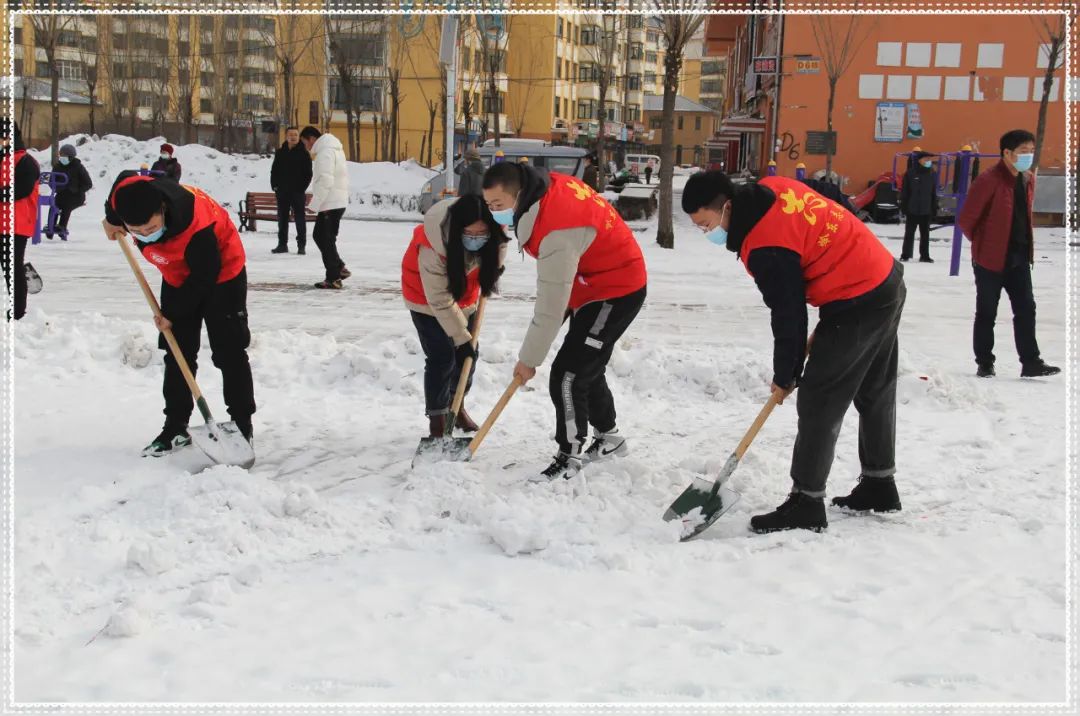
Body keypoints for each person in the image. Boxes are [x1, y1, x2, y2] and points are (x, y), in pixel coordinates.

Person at [682, 171, 906, 534]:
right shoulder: (770, 188)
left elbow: (788, 313)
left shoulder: (765, 246)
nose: (708, 233)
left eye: (707, 224)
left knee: (820, 397)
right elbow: (826, 212)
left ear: (727, 206)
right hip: (882, 277)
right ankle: (879, 485)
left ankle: (806, 501)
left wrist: (786, 374)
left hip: (858, 294)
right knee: (874, 387)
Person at [482, 161, 647, 481]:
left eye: (498, 206)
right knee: (585, 361)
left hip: (616, 288)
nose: (493, 213)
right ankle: (609, 438)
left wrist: (529, 360)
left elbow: (550, 303)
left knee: (568, 373)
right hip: (589, 281)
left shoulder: (558, 230)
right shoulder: (544, 190)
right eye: (488, 205)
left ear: (518, 196)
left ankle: (569, 455)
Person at [101, 170, 255, 456]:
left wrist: (173, 313)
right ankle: (175, 426)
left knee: (228, 348)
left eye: (151, 227)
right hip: (176, 274)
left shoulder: (196, 225)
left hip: (222, 273)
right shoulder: (124, 197)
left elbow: (203, 279)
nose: (145, 235)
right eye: (137, 231)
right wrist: (111, 221)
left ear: (162, 208)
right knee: (177, 351)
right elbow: (120, 184)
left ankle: (241, 423)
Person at [402, 194, 509, 436]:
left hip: (465, 295)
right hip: (426, 299)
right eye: (469, 235)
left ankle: (456, 406)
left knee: (469, 357)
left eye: (481, 235)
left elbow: (499, 247)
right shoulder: (433, 243)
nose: (475, 240)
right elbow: (438, 299)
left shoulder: (495, 230)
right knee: (442, 358)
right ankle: (438, 421)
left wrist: (495, 270)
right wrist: (460, 338)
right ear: (457, 229)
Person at [957, 129, 1060, 379]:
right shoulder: (989, 180)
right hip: (990, 260)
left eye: (1031, 152)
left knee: (1026, 309)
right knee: (987, 313)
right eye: (1023, 152)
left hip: (1019, 257)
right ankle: (984, 362)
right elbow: (967, 220)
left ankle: (1031, 361)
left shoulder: (1027, 179)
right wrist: (984, 244)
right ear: (1007, 153)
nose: (1028, 156)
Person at [299, 126, 351, 289]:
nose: (306, 147)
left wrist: (315, 204)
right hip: (336, 201)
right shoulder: (333, 149)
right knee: (321, 236)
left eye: (305, 142)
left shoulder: (325, 153)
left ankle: (334, 277)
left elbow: (326, 181)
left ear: (311, 139)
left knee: (325, 238)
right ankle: (339, 267)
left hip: (330, 202)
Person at [2, 120, 40, 321]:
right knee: (9, 264)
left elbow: (22, 189)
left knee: (12, 265)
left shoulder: (25, 161)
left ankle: (17, 311)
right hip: (4, 222)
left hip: (18, 223)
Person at [269, 126, 313, 255]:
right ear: (286, 136)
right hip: (282, 192)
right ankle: (282, 244)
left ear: (298, 137)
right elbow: (274, 171)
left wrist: (301, 188)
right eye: (291, 135)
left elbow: (308, 174)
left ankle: (301, 245)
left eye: (295, 135)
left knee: (300, 218)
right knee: (282, 219)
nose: (293, 137)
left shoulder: (304, 153)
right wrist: (275, 186)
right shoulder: (280, 152)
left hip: (297, 192)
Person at [899, 151, 938, 263]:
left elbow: (933, 193)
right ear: (920, 160)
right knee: (909, 233)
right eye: (926, 159)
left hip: (926, 209)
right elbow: (905, 191)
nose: (928, 162)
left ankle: (925, 256)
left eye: (929, 160)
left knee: (925, 234)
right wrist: (904, 206)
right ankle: (905, 254)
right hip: (912, 209)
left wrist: (934, 207)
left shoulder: (931, 173)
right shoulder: (910, 173)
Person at [51, 143, 93, 239]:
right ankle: (51, 226)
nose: (62, 158)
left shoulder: (78, 167)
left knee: (67, 206)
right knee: (54, 205)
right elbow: (52, 181)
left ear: (71, 157)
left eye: (64, 156)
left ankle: (62, 226)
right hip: (61, 194)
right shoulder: (57, 166)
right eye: (61, 156)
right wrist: (57, 187)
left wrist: (76, 189)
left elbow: (88, 183)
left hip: (76, 196)